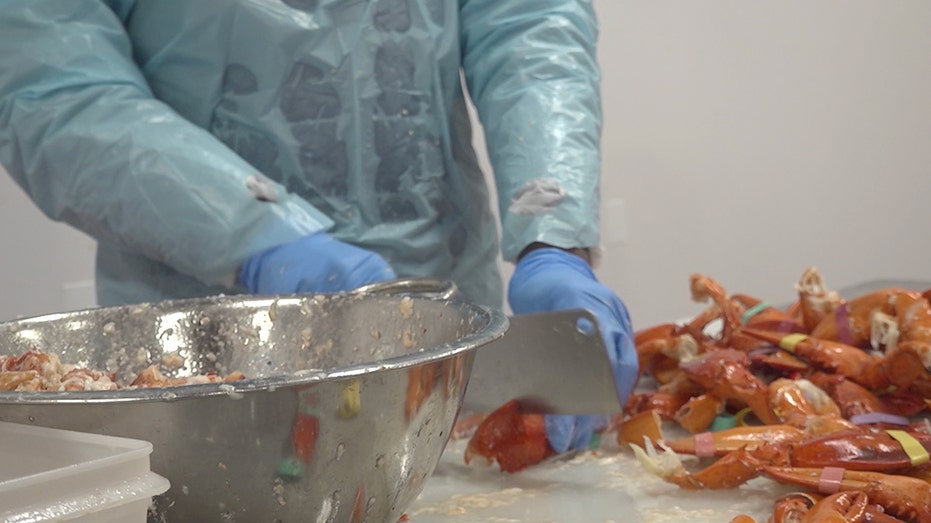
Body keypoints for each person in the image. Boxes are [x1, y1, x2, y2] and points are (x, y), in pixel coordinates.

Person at [0, 0, 637, 457]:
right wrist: (251, 232)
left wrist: (553, 237)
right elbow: (53, 88)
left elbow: (530, 26)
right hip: (195, 363)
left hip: (440, 330)